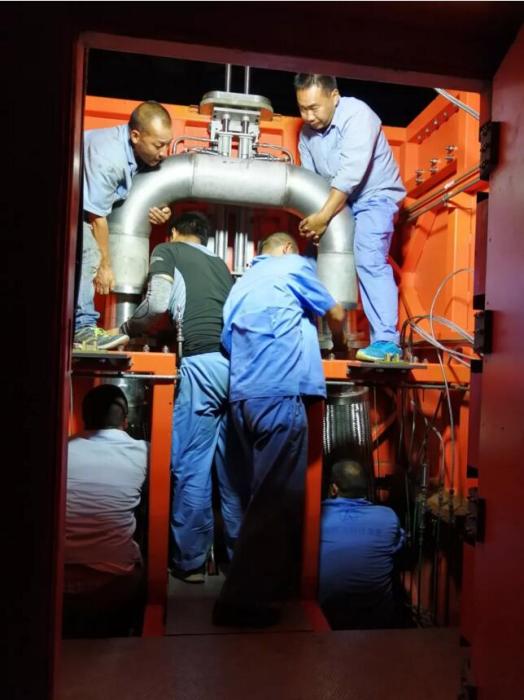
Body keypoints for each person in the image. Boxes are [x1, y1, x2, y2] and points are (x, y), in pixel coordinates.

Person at [213, 232, 346, 627]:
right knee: (275, 502)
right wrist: (340, 344)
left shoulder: (239, 287)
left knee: (255, 497)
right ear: (287, 248)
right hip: (279, 396)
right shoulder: (293, 266)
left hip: (243, 400)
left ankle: (257, 586)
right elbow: (336, 313)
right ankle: (240, 601)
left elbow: (227, 343)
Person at [119, 211, 244, 583]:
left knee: (191, 465)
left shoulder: (168, 250)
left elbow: (158, 302)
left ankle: (190, 562)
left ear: (174, 232)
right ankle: (239, 562)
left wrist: (127, 328)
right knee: (233, 470)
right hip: (237, 367)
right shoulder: (222, 265)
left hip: (201, 365)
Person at [294, 74, 407, 362]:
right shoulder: (306, 135)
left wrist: (322, 218)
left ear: (334, 97)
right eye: (302, 108)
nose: (308, 116)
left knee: (368, 256)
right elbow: (313, 184)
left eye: (314, 108)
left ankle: (386, 342)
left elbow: (350, 175)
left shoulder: (357, 114)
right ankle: (311, 337)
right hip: (339, 204)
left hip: (374, 197)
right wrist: (315, 224)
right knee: (308, 262)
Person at [75, 100, 174, 350]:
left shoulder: (137, 153)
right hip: (64, 205)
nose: (164, 152)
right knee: (90, 253)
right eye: (159, 145)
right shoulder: (108, 157)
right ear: (135, 136)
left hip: (82, 207)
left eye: (167, 144)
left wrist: (162, 208)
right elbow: (97, 218)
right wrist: (105, 266)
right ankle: (83, 330)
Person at [63, 384, 148, 636]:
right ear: (125, 418)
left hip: (56, 583)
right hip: (115, 586)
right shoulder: (145, 451)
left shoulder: (62, 448)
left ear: (83, 416)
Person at [319, 460, 405, 630]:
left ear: (334, 489)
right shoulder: (388, 517)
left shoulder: (317, 517)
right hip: (377, 622)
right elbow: (398, 547)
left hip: (327, 619)